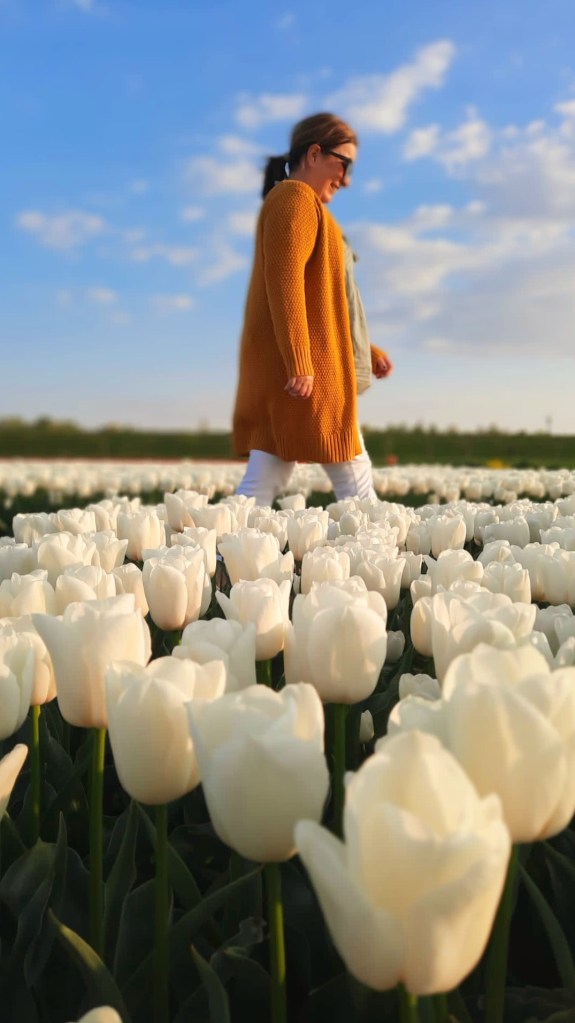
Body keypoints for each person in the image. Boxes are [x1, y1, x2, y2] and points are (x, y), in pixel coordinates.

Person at [233, 111, 393, 507]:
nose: (347, 179)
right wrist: (301, 361)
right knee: (355, 482)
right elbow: (285, 285)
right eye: (345, 164)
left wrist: (364, 350)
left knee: (263, 481)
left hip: (298, 370)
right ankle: (376, 561)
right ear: (315, 153)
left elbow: (330, 301)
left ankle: (210, 555)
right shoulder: (295, 198)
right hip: (307, 375)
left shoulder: (305, 205)